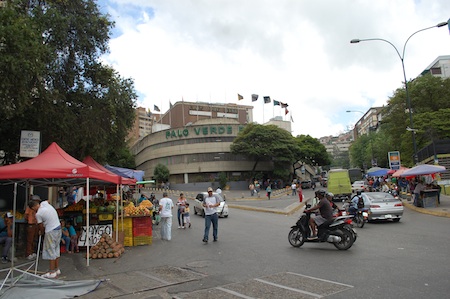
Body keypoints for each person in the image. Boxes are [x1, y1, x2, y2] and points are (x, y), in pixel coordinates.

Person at [28, 199, 62, 278]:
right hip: (58, 227)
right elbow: (48, 200)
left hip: (50, 230)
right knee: (56, 249)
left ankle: (52, 272)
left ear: (33, 208)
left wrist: (41, 232)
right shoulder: (44, 203)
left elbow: (41, 226)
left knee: (51, 250)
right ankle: (57, 269)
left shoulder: (38, 214)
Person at [24, 194, 39, 260]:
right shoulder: (29, 207)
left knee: (34, 239)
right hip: (31, 224)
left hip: (36, 224)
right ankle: (28, 253)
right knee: (30, 240)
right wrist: (29, 220)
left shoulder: (37, 208)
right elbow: (26, 216)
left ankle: (32, 252)